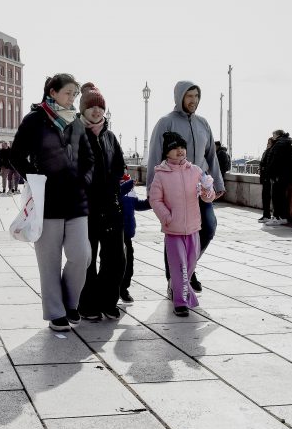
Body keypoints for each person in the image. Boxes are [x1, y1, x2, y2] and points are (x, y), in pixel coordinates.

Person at [11, 73, 93, 332]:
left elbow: (89, 159)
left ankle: (70, 303)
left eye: (74, 94)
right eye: (68, 93)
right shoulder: (34, 120)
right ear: (53, 92)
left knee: (82, 256)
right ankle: (56, 312)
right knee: (49, 261)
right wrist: (36, 179)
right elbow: (16, 155)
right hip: (47, 201)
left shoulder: (76, 123)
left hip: (77, 201)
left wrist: (84, 180)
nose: (72, 98)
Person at [147, 81, 224, 294]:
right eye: (189, 96)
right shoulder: (166, 122)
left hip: (198, 186)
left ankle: (187, 270)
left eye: (196, 96)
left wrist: (217, 183)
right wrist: (152, 189)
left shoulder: (203, 123)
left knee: (208, 227)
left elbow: (211, 155)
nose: (193, 100)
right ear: (180, 97)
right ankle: (175, 280)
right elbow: (155, 155)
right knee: (175, 234)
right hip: (173, 188)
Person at [69, 83, 125, 321]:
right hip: (85, 206)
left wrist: (113, 189)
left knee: (116, 257)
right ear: (83, 109)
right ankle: (87, 304)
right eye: (91, 106)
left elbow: (119, 166)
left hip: (110, 205)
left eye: (100, 107)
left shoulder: (109, 137)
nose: (96, 110)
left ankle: (108, 301)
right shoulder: (74, 134)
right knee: (88, 258)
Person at [149, 131, 217, 316]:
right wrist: (167, 217)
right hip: (173, 230)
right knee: (179, 266)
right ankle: (180, 302)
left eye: (182, 147)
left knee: (190, 264)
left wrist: (207, 190)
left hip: (193, 227)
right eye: (175, 148)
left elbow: (208, 197)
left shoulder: (195, 171)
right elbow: (155, 199)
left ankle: (175, 287)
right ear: (166, 152)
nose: (180, 151)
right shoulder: (161, 174)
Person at [119, 168, 150, 303]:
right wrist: (127, 184)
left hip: (128, 233)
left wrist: (150, 202)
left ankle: (124, 288)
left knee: (129, 263)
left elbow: (137, 204)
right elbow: (116, 196)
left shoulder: (130, 188)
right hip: (116, 233)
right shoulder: (114, 186)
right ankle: (113, 290)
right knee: (117, 264)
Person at [265, 130, 292, 225]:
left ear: (277, 135)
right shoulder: (287, 144)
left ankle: (276, 218)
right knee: (283, 197)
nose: (272, 137)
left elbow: (275, 161)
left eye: (273, 135)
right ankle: (284, 217)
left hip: (278, 176)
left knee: (276, 197)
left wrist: (272, 174)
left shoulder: (279, 144)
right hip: (285, 175)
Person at [257, 137, 275, 222]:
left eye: (269, 143)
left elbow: (268, 165)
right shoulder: (267, 151)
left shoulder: (270, 152)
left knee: (267, 197)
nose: (267, 144)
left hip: (267, 178)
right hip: (265, 177)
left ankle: (267, 215)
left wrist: (263, 169)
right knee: (265, 197)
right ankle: (266, 215)